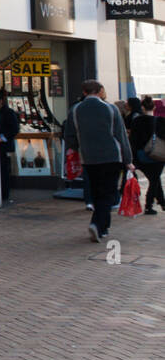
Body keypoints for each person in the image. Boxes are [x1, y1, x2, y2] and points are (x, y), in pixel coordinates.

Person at [67, 80, 135, 242]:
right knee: (108, 192)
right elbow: (121, 136)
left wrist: (77, 148)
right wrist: (128, 160)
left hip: (89, 157)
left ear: (84, 92)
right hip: (111, 157)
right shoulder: (111, 109)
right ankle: (97, 224)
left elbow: (70, 136)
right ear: (100, 91)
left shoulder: (75, 110)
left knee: (97, 191)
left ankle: (103, 228)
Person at [130, 97, 165, 214]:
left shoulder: (136, 121)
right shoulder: (161, 121)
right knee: (154, 180)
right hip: (158, 156)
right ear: (154, 107)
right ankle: (148, 205)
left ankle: (161, 202)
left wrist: (133, 158)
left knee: (154, 179)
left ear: (142, 108)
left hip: (141, 156)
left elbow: (132, 140)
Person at [0, 90, 20, 202]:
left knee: (4, 170)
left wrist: (2, 138)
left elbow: (15, 129)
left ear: (0, 101)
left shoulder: (8, 113)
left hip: (5, 147)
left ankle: (4, 194)